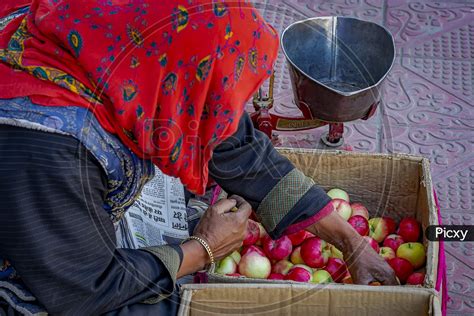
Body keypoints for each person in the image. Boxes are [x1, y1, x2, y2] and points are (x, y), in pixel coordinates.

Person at [0, 1, 396, 315]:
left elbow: (236, 146)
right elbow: (85, 288)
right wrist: (202, 250)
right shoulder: (52, 144)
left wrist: (351, 241)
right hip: (39, 244)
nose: (227, 112)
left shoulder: (135, 50)